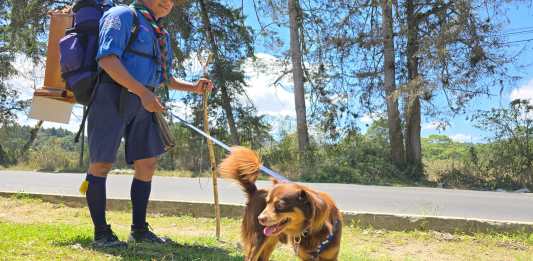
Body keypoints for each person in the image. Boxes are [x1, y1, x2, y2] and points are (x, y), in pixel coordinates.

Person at [85, 0, 213, 248]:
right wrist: (142, 93)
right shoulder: (121, 15)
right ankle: (102, 234)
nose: (168, 2)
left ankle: (140, 231)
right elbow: (107, 60)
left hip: (145, 101)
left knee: (147, 164)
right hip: (111, 97)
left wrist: (193, 87)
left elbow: (165, 77)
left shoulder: (160, 32)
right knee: (100, 164)